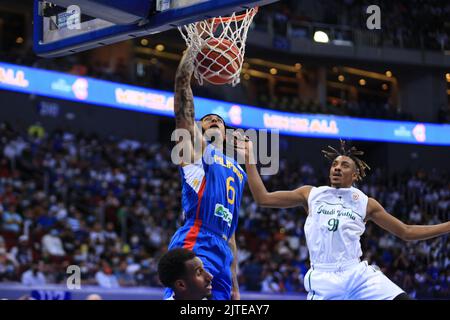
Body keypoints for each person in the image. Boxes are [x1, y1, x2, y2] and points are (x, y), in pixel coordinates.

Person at [237, 138, 450, 300]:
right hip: (323, 277)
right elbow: (262, 198)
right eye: (334, 164)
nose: (337, 167)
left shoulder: (366, 203)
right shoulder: (311, 194)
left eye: (344, 165)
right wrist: (249, 159)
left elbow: (406, 232)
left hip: (356, 274)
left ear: (355, 175)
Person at [164, 50, 247, 300]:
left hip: (222, 250)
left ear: (226, 130)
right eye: (207, 120)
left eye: (217, 120)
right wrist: (190, 55)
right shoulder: (198, 154)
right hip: (198, 238)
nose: (212, 121)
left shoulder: (238, 172)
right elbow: (184, 111)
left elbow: (231, 234)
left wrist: (234, 285)